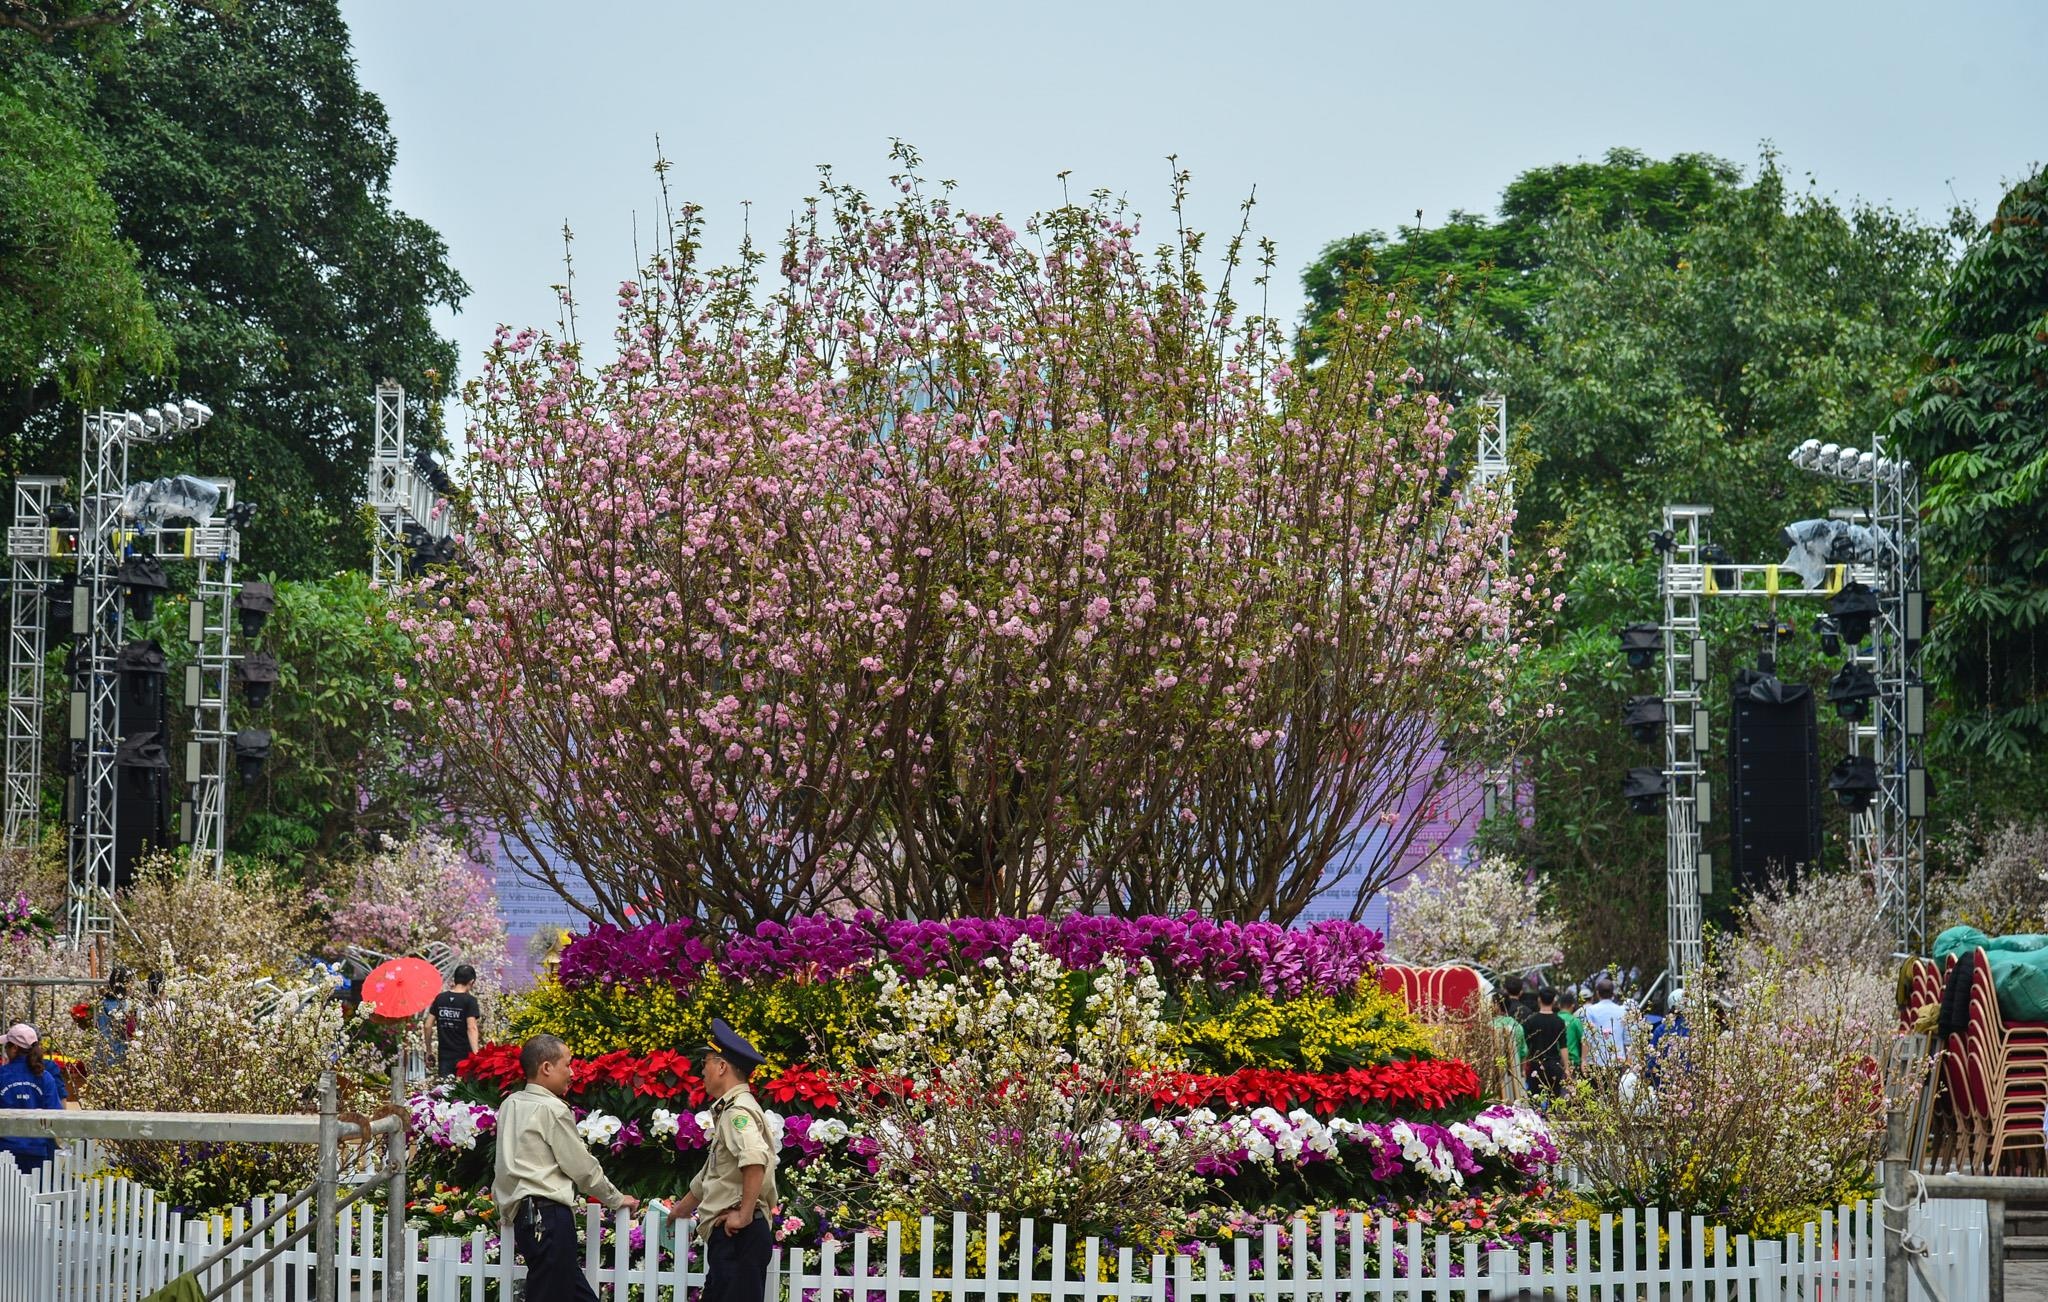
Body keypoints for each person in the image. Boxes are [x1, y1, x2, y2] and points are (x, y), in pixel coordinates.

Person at [493, 1034, 640, 1302]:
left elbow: (502, 1167)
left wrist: (505, 1211)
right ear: (546, 1067)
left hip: (524, 1218)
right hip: (549, 1216)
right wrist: (617, 1199)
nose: (572, 1073)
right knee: (553, 1292)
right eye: (567, 1065)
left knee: (567, 1291)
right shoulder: (552, 1109)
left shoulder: (509, 1105)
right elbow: (581, 1167)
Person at [668, 1019, 780, 1302]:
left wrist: (743, 1214)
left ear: (721, 1066)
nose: (702, 1070)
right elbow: (713, 1174)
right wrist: (682, 1208)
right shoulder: (731, 1110)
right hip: (735, 1239)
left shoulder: (736, 1112)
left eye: (706, 1061)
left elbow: (754, 1160)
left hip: (738, 1237)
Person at [0, 1024, 66, 1175]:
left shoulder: (2, 1075)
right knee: (34, 1194)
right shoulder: (45, 1077)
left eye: (6, 1046)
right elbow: (55, 1114)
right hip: (37, 1149)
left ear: (14, 1048)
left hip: (4, 1149)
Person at [428, 964, 483, 1077]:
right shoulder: (469, 1001)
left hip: (444, 1056)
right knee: (463, 1091)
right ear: (471, 981)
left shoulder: (440, 998)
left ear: (455, 979)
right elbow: (471, 1028)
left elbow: (427, 1025)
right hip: (464, 1056)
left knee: (444, 1091)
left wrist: (429, 1051)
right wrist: (476, 1055)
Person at [1521, 988, 1570, 1094]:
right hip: (1554, 1066)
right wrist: (1567, 1067)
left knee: (1535, 1100)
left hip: (1535, 1066)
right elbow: (1563, 1046)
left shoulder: (1530, 1021)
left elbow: (1526, 1047)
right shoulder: (1559, 1022)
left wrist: (1523, 1067)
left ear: (1539, 1000)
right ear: (1553, 1001)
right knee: (1554, 1100)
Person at [1580, 976, 1630, 1066]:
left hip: (1597, 1061)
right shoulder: (1622, 1011)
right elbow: (1627, 1039)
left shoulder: (1591, 1010)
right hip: (1618, 1060)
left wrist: (1583, 1060)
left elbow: (1587, 1037)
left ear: (1597, 993)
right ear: (1613, 993)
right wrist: (1629, 1059)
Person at [1556, 987, 1585, 1070]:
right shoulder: (1575, 1021)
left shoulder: (1554, 1019)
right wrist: (1583, 1060)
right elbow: (1583, 1040)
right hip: (1573, 1061)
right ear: (1572, 1006)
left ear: (1559, 1005)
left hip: (1556, 1060)